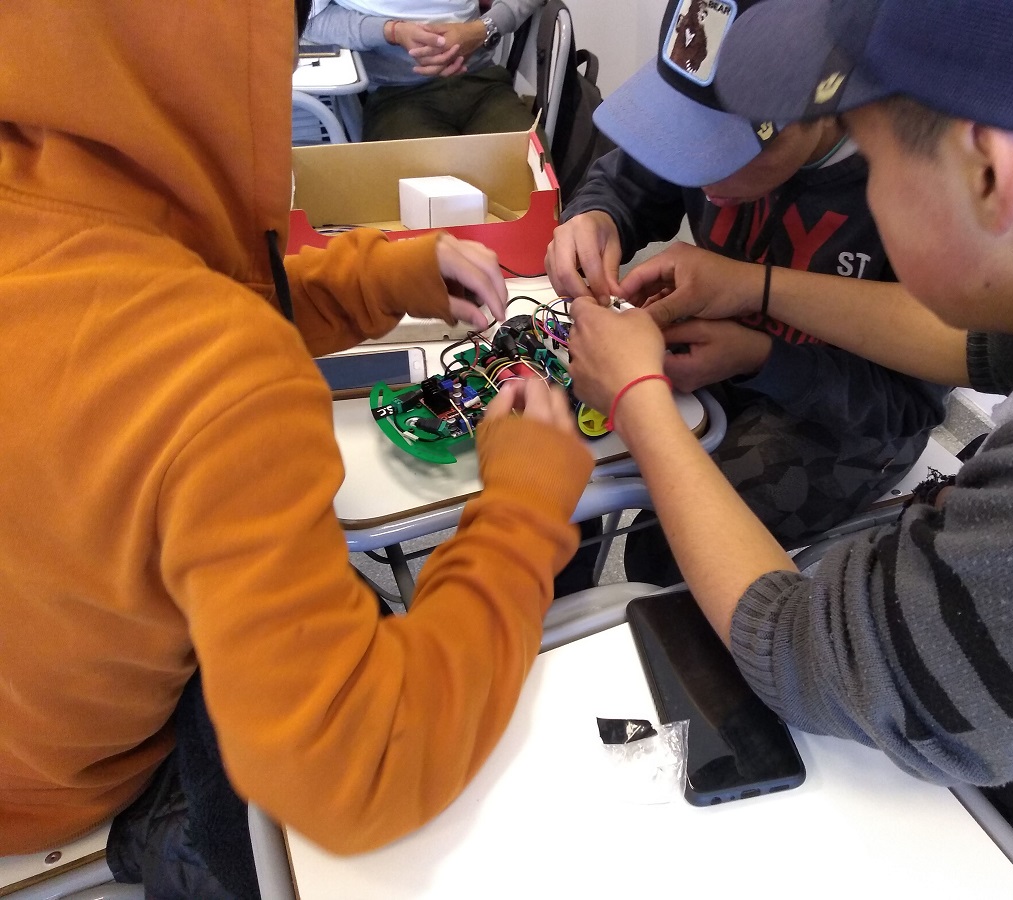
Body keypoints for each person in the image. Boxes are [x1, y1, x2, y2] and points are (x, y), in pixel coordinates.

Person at [565, 0, 1013, 897]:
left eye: (873, 156)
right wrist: (755, 284)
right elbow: (967, 347)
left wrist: (637, 400)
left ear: (989, 167)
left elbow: (799, 651)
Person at [0, 0, 592, 894]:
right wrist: (524, 509)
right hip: (62, 793)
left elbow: (146, 286)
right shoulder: (211, 366)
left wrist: (375, 276)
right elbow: (367, 769)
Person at [546, 0, 947, 587]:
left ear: (822, 114)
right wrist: (596, 217)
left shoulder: (914, 190)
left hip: (846, 415)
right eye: (685, 143)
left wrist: (765, 358)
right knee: (554, 465)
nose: (699, 178)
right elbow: (627, 181)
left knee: (672, 546)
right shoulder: (713, 103)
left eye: (723, 154)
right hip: (723, 363)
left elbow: (906, 405)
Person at [304, 0, 540, 141]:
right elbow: (309, 18)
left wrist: (482, 30)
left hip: (482, 80)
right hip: (395, 94)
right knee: (429, 200)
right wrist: (391, 32)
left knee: (532, 180)